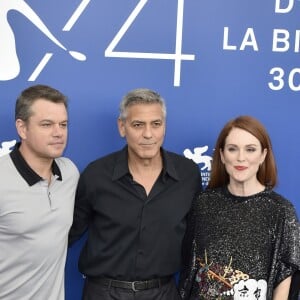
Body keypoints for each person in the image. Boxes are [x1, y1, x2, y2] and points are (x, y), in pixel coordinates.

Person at [69, 88, 202, 300]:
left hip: (163, 292)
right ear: (122, 127)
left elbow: (199, 235)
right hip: (104, 293)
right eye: (138, 125)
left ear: (164, 127)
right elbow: (67, 233)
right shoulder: (96, 174)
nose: (148, 134)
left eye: (156, 124)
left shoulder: (188, 174)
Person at [179, 115, 300, 300]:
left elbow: (285, 279)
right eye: (232, 149)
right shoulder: (202, 204)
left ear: (263, 155)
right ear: (222, 155)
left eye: (250, 149)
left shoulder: (281, 211)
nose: (241, 158)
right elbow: (189, 272)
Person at [0, 84, 79, 299]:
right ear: (22, 128)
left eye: (63, 124)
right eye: (47, 124)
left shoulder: (69, 172)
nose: (58, 133)